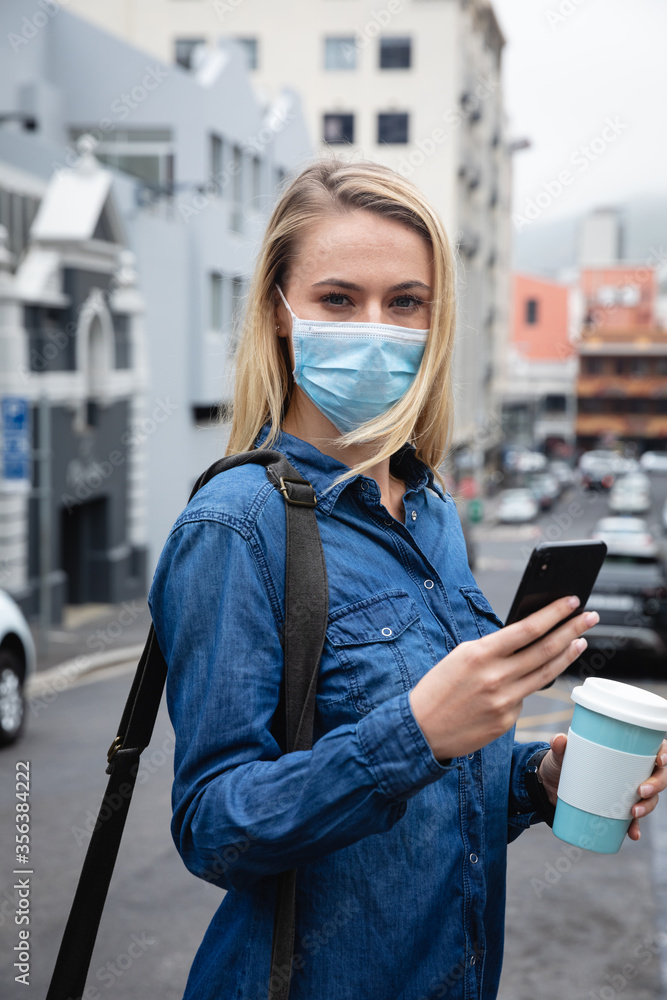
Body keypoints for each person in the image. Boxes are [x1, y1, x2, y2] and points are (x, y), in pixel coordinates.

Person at [148, 159, 667, 1000]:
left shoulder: (430, 512)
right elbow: (215, 829)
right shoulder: (235, 525)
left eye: (404, 303)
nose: (374, 329)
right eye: (337, 299)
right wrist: (414, 732)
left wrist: (536, 779)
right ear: (280, 315)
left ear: (436, 320)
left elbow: (434, 804)